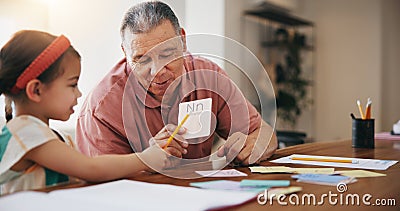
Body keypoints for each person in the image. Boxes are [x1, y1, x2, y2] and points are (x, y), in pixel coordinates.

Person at [76, 1, 277, 167]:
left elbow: (264, 133)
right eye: (142, 60)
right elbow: (103, 189)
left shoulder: (209, 77)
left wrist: (255, 146)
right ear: (125, 53)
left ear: (183, 40)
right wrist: (148, 161)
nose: (158, 71)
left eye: (167, 53)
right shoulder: (102, 109)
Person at [0, 30, 175, 195]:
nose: (79, 93)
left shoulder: (44, 136)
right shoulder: (25, 132)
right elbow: (92, 169)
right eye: (72, 84)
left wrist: (150, 154)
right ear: (36, 90)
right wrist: (144, 159)